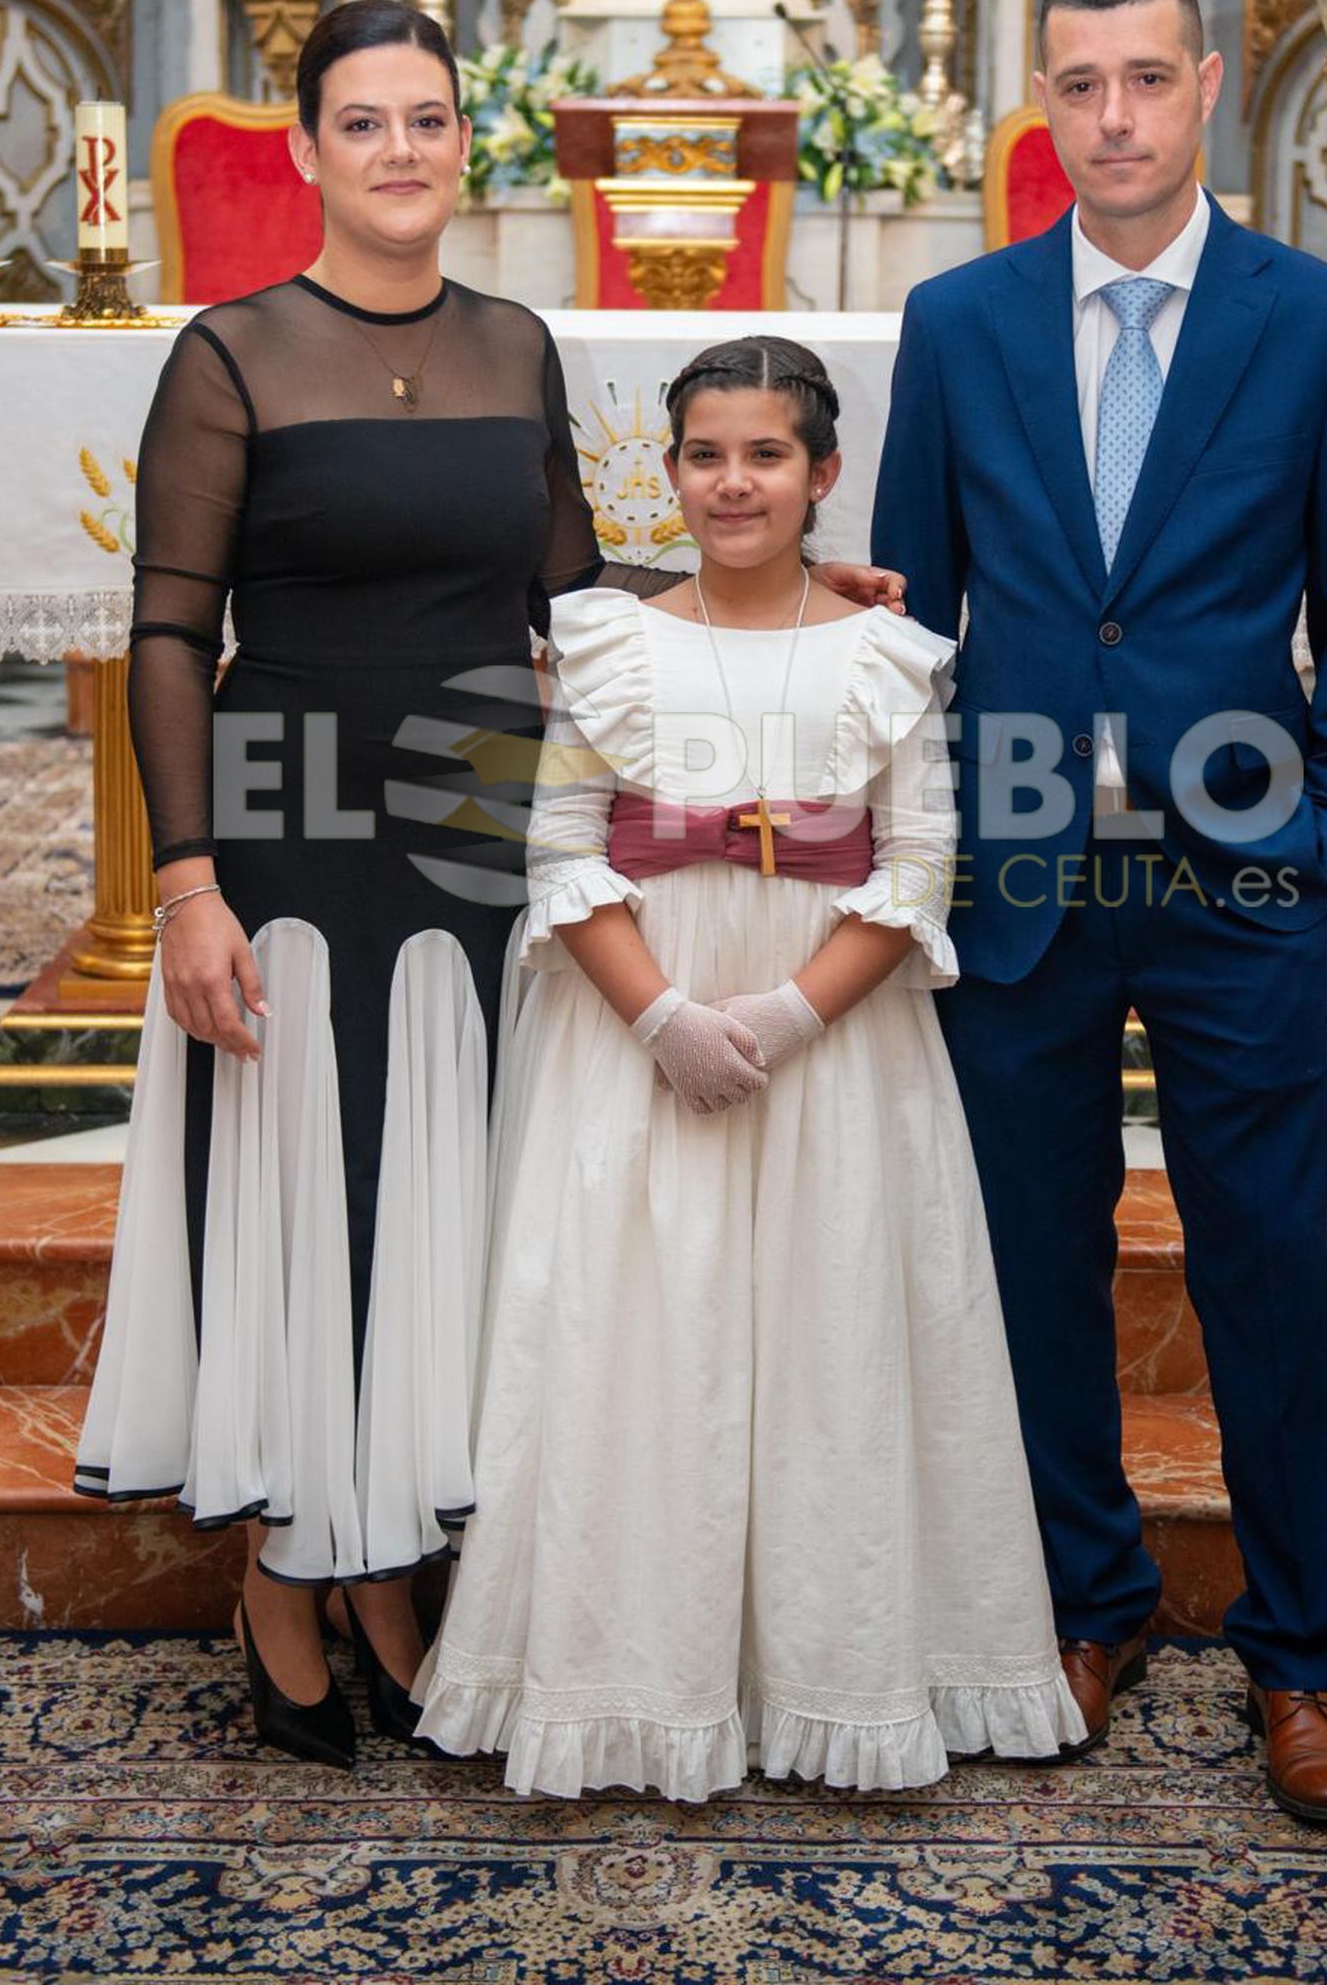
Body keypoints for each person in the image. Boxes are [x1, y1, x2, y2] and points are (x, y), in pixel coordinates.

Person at [74, 1, 903, 1771]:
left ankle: (396, 1564)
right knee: (310, 1190)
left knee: (442, 1193)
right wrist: (190, 885)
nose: (399, 151)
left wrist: (800, 575)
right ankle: (285, 1575)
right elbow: (166, 632)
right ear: (305, 151)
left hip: (470, 825)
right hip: (293, 827)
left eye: (428, 120)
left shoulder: (514, 345)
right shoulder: (231, 357)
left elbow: (585, 607)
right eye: (361, 122)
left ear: (465, 144)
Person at [871, 0, 1327, 1826]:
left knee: (1266, 1262)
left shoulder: (1320, 325)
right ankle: (1085, 1600)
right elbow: (913, 626)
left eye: (1145, 81)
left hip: (1243, 879)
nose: (1112, 117)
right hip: (1021, 873)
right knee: (1035, 1265)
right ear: (1045, 99)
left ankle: (1300, 1656)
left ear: (1207, 89)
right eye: (1080, 83)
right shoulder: (959, 324)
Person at [412, 336, 1085, 1797]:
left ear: (822, 475)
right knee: (645, 1335)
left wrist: (779, 1021)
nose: (735, 482)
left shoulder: (886, 656)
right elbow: (558, 847)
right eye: (706, 455)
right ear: (669, 475)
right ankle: (628, 1676)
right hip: (638, 1043)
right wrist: (663, 1020)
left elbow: (916, 865)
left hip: (833, 1054)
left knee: (831, 1333)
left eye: (767, 455)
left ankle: (835, 1668)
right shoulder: (606, 640)